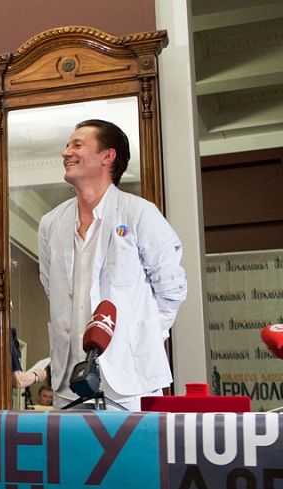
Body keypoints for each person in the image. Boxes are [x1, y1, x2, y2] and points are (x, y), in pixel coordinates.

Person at [38, 119, 187, 411]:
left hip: (131, 380)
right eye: (67, 145)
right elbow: (51, 287)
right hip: (69, 378)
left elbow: (171, 290)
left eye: (77, 145)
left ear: (108, 156)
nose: (66, 152)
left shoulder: (140, 213)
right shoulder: (50, 223)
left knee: (135, 444)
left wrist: (138, 338)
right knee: (70, 443)